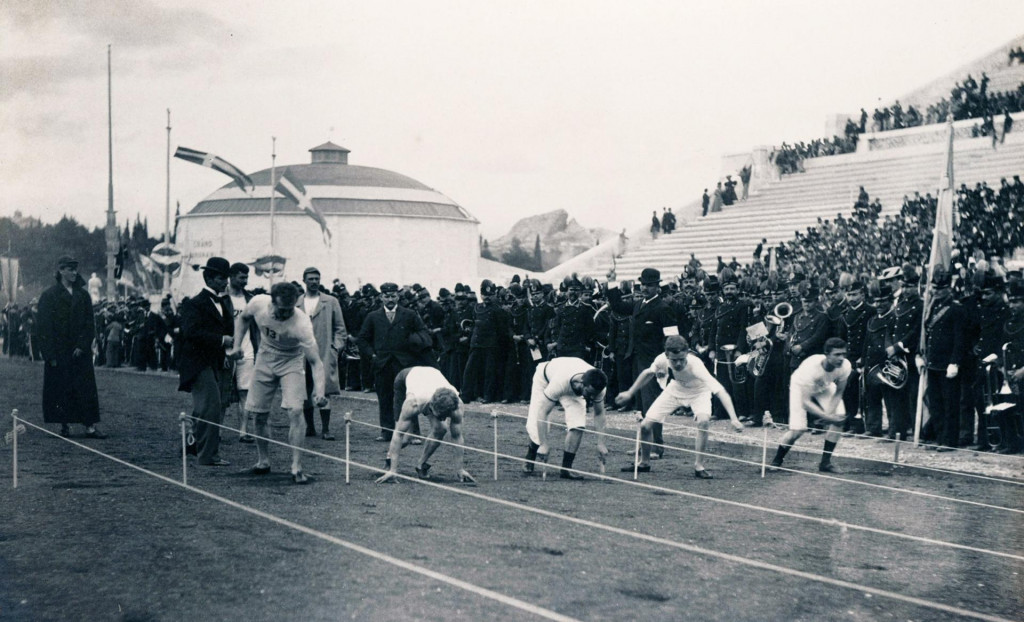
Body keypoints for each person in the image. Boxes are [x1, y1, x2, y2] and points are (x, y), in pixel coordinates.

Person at [229, 282, 327, 484]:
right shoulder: (258, 303)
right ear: (271, 301)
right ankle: (263, 461)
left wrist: (320, 392)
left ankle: (296, 466)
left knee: (296, 411)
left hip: (291, 361)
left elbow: (316, 363)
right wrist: (237, 345)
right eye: (281, 310)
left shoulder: (301, 324)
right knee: (258, 413)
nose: (284, 315)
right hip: (265, 357)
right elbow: (243, 319)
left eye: (289, 310)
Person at [616, 335, 743, 478]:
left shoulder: (696, 365)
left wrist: (733, 418)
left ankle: (699, 466)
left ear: (687, 353)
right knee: (645, 425)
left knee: (703, 421)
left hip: (699, 393)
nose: (677, 364)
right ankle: (644, 463)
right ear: (666, 355)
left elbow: (721, 392)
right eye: (674, 360)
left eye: (681, 359)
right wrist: (630, 393)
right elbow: (647, 373)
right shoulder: (661, 359)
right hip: (675, 389)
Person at [36, 256, 104, 439]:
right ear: (61, 271)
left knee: (85, 389)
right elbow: (43, 327)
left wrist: (82, 345)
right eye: (70, 269)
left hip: (79, 353)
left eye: (75, 270)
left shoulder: (83, 296)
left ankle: (90, 426)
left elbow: (89, 324)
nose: (74, 273)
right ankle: (64, 426)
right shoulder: (49, 296)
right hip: (59, 352)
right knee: (61, 389)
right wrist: (49, 354)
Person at [358, 282, 434, 442]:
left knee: (410, 398)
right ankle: (386, 432)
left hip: (405, 363)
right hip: (382, 363)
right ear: (381, 297)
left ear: (398, 296)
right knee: (384, 397)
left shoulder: (410, 314)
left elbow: (423, 332)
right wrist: (372, 355)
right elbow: (363, 339)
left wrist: (414, 341)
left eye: (393, 296)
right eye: (387, 296)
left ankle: (413, 434)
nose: (390, 299)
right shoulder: (373, 316)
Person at [177, 257, 235, 466]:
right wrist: (221, 340)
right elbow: (190, 332)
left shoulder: (223, 302)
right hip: (197, 363)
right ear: (208, 278)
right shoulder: (195, 303)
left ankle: (194, 445)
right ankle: (208, 455)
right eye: (221, 278)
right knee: (211, 406)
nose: (225, 282)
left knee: (205, 407)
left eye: (226, 278)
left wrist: (227, 352)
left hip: (214, 362)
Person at [375, 366, 475, 484]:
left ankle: (421, 465)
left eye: (445, 416)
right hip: (404, 379)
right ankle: (389, 460)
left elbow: (457, 436)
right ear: (431, 406)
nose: (443, 419)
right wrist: (393, 471)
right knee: (407, 437)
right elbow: (398, 434)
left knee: (441, 429)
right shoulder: (413, 403)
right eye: (440, 416)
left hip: (431, 376)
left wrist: (460, 469)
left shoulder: (457, 406)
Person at [769, 337, 852, 473]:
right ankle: (777, 459)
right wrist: (827, 417)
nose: (841, 358)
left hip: (824, 385)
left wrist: (829, 416)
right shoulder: (811, 367)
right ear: (826, 354)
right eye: (837, 354)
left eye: (843, 354)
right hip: (800, 387)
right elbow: (806, 402)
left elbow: (838, 393)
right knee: (798, 429)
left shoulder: (845, 366)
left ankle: (825, 463)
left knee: (839, 417)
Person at [523, 357, 608, 480]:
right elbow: (543, 412)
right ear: (581, 382)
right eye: (589, 393)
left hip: (572, 387)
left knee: (578, 424)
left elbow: (599, 414)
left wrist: (601, 443)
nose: (591, 397)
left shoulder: (598, 387)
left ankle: (566, 469)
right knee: (536, 424)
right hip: (545, 379)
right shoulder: (560, 382)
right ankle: (530, 456)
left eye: (594, 394)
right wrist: (544, 444)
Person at [299, 267, 347, 440]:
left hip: (324, 351)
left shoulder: (330, 301)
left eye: (317, 279)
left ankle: (325, 429)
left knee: (324, 389)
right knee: (304, 389)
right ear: (304, 280)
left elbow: (340, 329)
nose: (314, 282)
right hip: (301, 353)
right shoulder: (297, 303)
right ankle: (309, 427)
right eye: (311, 279)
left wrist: (335, 347)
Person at [226, 263, 257, 442]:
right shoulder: (222, 298)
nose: (245, 281)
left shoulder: (250, 299)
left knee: (245, 392)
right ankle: (218, 431)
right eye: (241, 277)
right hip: (227, 349)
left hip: (247, 349)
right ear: (231, 277)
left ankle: (244, 431)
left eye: (246, 277)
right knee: (223, 392)